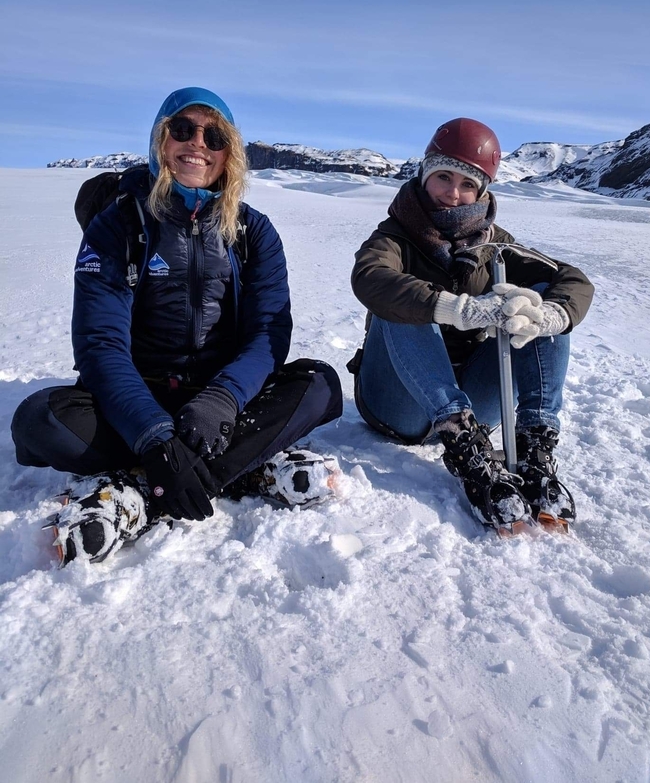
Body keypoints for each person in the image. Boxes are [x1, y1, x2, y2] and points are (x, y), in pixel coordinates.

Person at [12, 87, 342, 565]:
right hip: (136, 398)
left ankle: (142, 494)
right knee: (38, 421)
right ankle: (237, 467)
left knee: (319, 385)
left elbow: (268, 335)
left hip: (220, 404)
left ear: (231, 155)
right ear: (160, 141)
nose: (197, 145)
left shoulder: (254, 231)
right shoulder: (119, 226)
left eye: (215, 137)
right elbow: (100, 345)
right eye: (182, 130)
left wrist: (221, 399)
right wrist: (153, 435)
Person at [349, 118, 594, 535]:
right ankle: (462, 446)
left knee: (536, 300)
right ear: (424, 174)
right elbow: (370, 276)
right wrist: (455, 309)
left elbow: (573, 280)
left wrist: (553, 315)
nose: (453, 193)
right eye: (443, 177)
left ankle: (534, 446)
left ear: (482, 191)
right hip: (398, 404)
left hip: (474, 401)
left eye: (467, 183)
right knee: (402, 302)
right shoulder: (394, 235)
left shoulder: (495, 243)